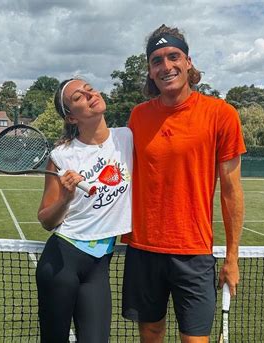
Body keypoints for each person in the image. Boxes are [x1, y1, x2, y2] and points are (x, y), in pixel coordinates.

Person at [121, 24, 246, 342]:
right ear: (150, 71)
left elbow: (231, 191)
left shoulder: (221, 114)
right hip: (143, 250)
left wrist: (232, 257)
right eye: (157, 60)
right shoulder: (137, 117)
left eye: (173, 56)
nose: (166, 66)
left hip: (194, 254)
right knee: (150, 332)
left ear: (188, 62)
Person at [36, 78, 133, 342]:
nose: (89, 94)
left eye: (89, 88)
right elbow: (46, 219)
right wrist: (65, 198)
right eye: (78, 97)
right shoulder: (61, 156)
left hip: (99, 266)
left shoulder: (127, 137)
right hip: (62, 261)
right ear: (71, 117)